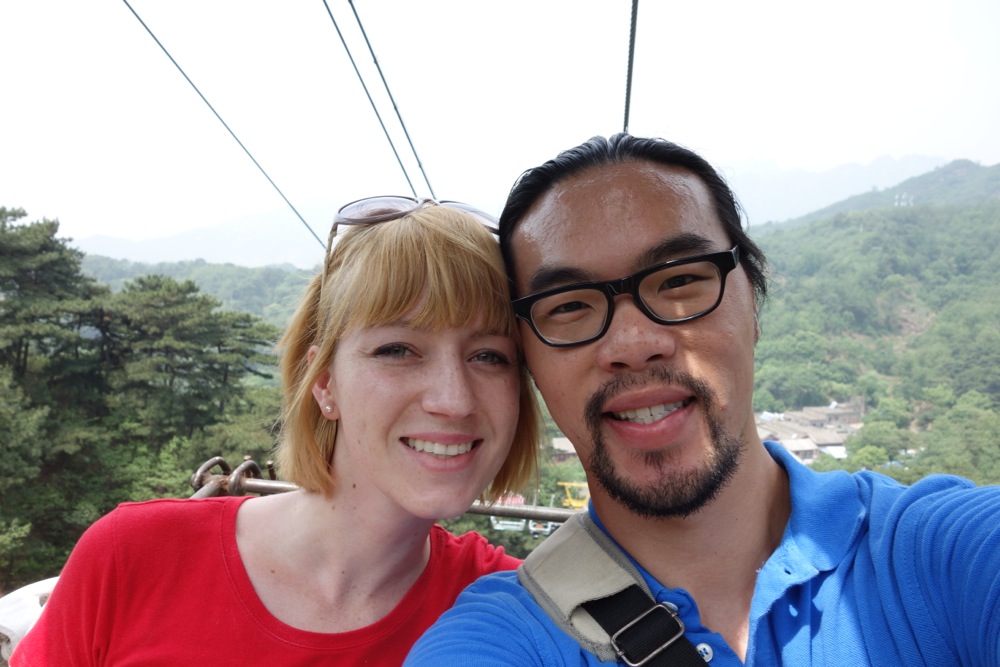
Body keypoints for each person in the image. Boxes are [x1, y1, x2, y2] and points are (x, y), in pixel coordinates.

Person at [406, 134, 1000, 666]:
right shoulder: (505, 638)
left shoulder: (934, 554)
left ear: (754, 305)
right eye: (568, 306)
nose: (633, 344)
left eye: (680, 279)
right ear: (531, 363)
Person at [11, 197, 540, 665]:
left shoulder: (527, 616)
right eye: (398, 350)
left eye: (489, 356)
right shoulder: (133, 558)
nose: (453, 400)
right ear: (325, 382)